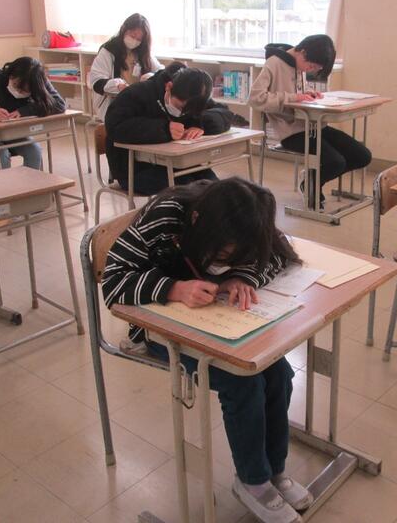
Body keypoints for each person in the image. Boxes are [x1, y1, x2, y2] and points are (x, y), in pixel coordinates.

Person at [101, 178, 311, 523]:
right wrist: (174, 289)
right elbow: (113, 283)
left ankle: (273, 471)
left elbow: (279, 255)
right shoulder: (165, 216)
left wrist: (242, 277)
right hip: (159, 326)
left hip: (217, 320)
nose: (225, 262)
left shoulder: (243, 214)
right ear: (199, 223)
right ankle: (253, 482)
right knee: (242, 381)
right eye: (224, 256)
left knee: (278, 373)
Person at [249, 34, 372, 209]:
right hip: (291, 132)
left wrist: (308, 93)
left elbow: (297, 91)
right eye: (312, 66)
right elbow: (256, 99)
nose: (310, 70)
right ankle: (310, 185)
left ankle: (311, 179)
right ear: (303, 52)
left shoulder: (299, 64)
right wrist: (294, 97)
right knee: (336, 162)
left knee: (362, 156)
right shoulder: (274, 63)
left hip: (313, 125)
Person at [105, 61, 237, 195]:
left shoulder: (195, 96)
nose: (182, 113)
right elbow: (115, 126)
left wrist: (200, 124)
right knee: (189, 188)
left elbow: (224, 113)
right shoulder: (137, 93)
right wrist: (164, 129)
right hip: (134, 170)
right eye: (180, 107)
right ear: (169, 87)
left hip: (177, 163)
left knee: (213, 186)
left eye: (188, 112)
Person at [0, 56, 66, 170]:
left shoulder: (38, 79)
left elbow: (59, 104)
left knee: (34, 152)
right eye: (17, 85)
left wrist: (25, 111)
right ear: (11, 75)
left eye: (25, 91)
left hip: (10, 132)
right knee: (1, 155)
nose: (19, 92)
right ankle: (5, 183)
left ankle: (29, 182)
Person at [88, 13, 163, 122]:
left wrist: (150, 76)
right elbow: (97, 82)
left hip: (137, 100)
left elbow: (160, 71)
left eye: (139, 39)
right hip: (115, 101)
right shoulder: (108, 51)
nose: (135, 41)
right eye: (132, 36)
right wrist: (118, 85)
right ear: (124, 29)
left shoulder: (143, 52)